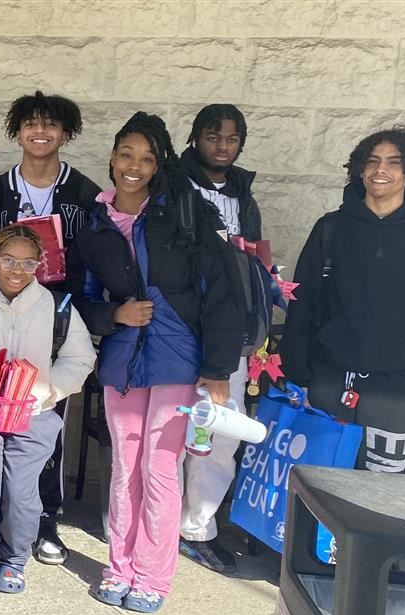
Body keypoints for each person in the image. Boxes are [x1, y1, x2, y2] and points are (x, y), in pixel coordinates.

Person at [70, 112, 241, 613]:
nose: (134, 166)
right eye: (126, 154)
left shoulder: (182, 215)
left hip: (179, 360)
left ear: (158, 164)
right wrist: (113, 314)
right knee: (124, 468)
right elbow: (79, 300)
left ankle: (152, 576)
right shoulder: (94, 222)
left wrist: (217, 368)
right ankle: (118, 567)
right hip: (124, 361)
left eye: (147, 158)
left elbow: (221, 293)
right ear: (112, 158)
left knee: (160, 468)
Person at [0, 91, 100, 565]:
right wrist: (9, 269)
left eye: (51, 124)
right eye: (31, 123)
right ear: (17, 131)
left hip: (56, 320)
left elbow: (103, 261)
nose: (41, 132)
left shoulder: (85, 193)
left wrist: (66, 280)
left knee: (45, 426)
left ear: (66, 133)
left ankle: (44, 523)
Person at [0, 226, 95, 594]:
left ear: (40, 264)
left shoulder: (59, 309)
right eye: (8, 260)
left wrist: (44, 389)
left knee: (22, 490)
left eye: (28, 262)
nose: (17, 269)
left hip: (35, 414)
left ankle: (14, 558)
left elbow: (81, 359)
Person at [281, 127, 405, 476]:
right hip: (328, 382)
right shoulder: (331, 228)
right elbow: (303, 303)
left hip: (397, 388)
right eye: (372, 161)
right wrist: (301, 373)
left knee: (382, 494)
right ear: (360, 169)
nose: (381, 170)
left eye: (393, 163)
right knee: (319, 487)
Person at [176, 104, 263, 574]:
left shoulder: (245, 197)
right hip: (181, 330)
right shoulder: (174, 186)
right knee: (172, 431)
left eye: (231, 138)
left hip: (231, 335)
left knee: (219, 435)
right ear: (195, 139)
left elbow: (250, 269)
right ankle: (159, 524)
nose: (222, 146)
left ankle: (198, 529)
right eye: (213, 136)